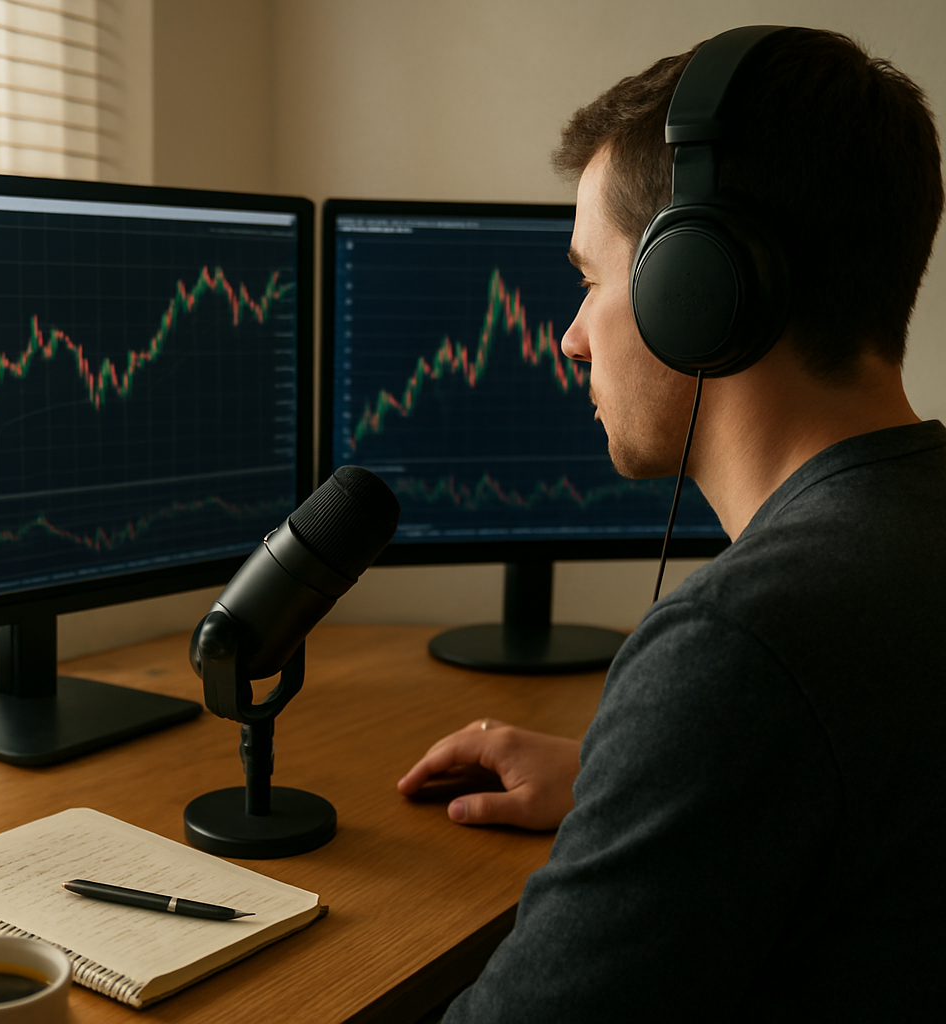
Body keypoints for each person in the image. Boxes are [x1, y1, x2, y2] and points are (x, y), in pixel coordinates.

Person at [398, 26, 946, 1022]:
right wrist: (635, 779)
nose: (568, 337)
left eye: (589, 277)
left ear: (695, 289)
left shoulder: (744, 644)